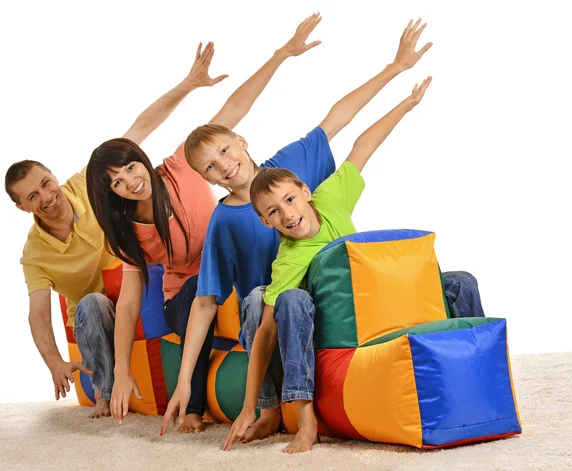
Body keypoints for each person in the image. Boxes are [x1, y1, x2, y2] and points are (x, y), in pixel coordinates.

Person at [160, 19, 436, 451]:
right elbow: (205, 301)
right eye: (210, 167)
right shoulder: (225, 221)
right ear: (206, 180)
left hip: (335, 294)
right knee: (262, 299)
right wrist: (184, 383)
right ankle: (273, 407)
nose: (225, 166)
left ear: (241, 141)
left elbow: (342, 123)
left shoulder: (290, 168)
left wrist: (395, 68)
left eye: (226, 151)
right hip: (276, 312)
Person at [86, 13, 323, 432]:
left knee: (255, 290)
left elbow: (233, 110)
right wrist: (122, 369)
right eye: (117, 183)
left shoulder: (182, 166)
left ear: (141, 159)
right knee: (199, 292)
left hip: (227, 283)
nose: (130, 182)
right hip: (188, 296)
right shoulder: (128, 230)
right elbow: (127, 301)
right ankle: (192, 404)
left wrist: (281, 55)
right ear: (112, 194)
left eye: (130, 169)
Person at [4, 41, 227, 419]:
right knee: (90, 305)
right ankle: (108, 397)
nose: (46, 196)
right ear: (22, 206)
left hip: (136, 281)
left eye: (45, 183)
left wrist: (188, 85)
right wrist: (55, 362)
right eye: (32, 196)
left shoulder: (94, 188)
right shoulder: (35, 254)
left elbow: (140, 128)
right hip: (100, 310)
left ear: (53, 176)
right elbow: (38, 315)